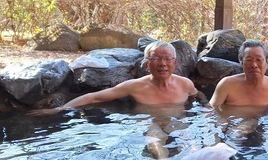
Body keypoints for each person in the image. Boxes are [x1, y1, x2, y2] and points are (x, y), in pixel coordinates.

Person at [48, 41, 199, 110]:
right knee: (155, 139)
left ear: (175, 63)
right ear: (146, 64)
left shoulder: (185, 84)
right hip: (151, 122)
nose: (162, 64)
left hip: (179, 122)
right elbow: (93, 97)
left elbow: (198, 97)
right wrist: (59, 109)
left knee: (190, 142)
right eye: (155, 58)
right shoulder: (134, 87)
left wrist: (207, 111)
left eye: (167, 59)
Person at [209, 40, 268, 109]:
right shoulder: (227, 85)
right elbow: (210, 111)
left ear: (267, 62)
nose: (254, 65)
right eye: (249, 60)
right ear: (241, 62)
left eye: (259, 60)